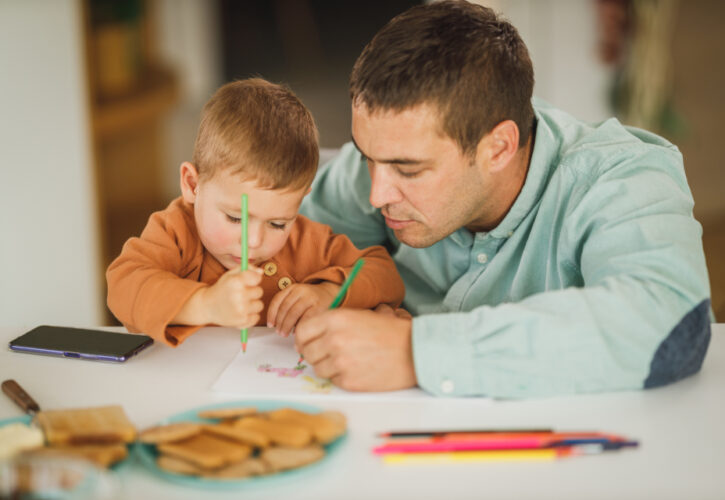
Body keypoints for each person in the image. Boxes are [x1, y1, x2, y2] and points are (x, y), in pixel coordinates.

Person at [296, 0, 711, 397]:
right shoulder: (386, 153)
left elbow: (670, 321)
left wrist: (413, 351)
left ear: (498, 148)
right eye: (368, 158)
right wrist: (351, 298)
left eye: (410, 171)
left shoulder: (620, 176)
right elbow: (289, 246)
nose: (376, 193)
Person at [106, 78, 405, 346]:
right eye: (236, 218)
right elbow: (123, 286)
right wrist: (206, 304)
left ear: (299, 202)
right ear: (192, 184)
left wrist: (328, 294)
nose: (254, 241)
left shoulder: (304, 239)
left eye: (277, 223)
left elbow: (385, 275)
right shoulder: (176, 230)